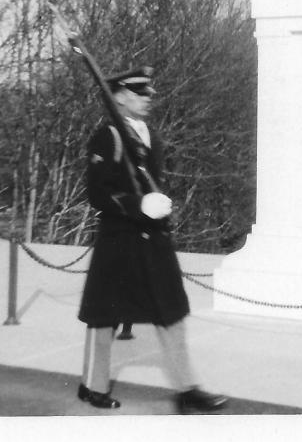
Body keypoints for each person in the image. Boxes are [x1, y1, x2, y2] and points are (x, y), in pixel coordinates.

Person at [76, 65, 228, 415]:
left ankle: (187, 389)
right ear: (119, 96)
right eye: (139, 93)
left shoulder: (150, 135)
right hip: (120, 241)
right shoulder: (108, 137)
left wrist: (156, 207)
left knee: (171, 311)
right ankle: (92, 385)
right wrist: (138, 204)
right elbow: (98, 193)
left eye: (147, 94)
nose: (146, 100)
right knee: (104, 317)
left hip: (153, 241)